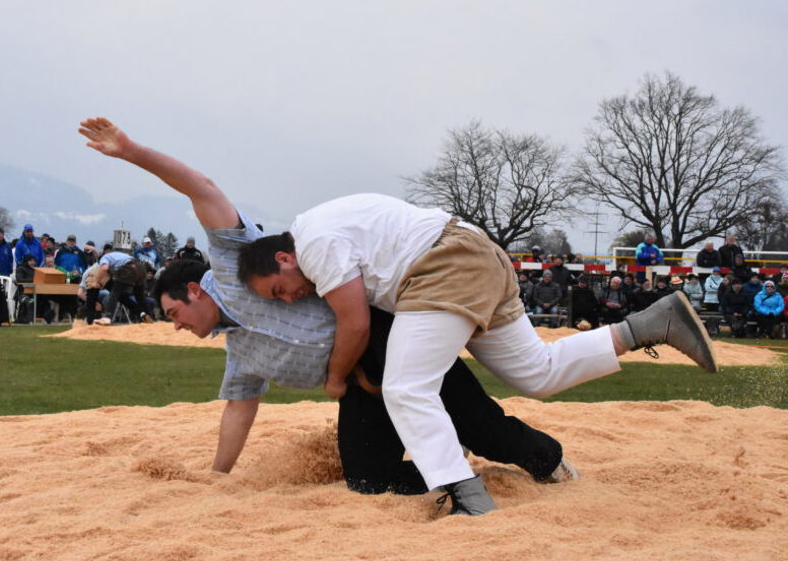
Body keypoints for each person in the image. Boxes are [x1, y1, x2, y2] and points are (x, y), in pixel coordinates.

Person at [79, 116, 579, 503]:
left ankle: (546, 460)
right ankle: (447, 476)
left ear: (193, 292)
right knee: (366, 479)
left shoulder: (238, 262)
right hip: (356, 386)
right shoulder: (239, 353)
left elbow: (202, 188)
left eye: (174, 315)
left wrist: (131, 152)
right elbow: (238, 409)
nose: (179, 328)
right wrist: (217, 478)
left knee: (479, 423)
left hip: (382, 337)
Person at [237, 194, 716, 515]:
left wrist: (336, 378)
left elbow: (356, 322)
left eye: (280, 289)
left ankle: (464, 495)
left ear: (283, 257)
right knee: (538, 372)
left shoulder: (314, 242)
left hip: (443, 264)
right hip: (475, 254)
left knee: (407, 386)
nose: (288, 297)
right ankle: (650, 325)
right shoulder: (322, 225)